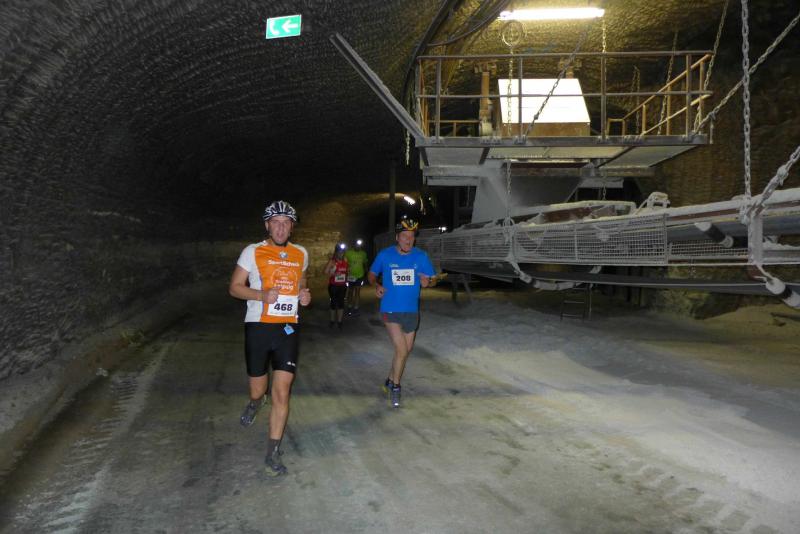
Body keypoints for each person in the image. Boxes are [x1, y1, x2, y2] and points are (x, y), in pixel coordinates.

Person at [228, 200, 311, 476]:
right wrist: (261, 295)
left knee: (282, 390)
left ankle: (273, 450)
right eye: (276, 222)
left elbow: (301, 280)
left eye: (286, 223)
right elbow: (234, 288)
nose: (281, 228)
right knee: (258, 389)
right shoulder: (252, 251)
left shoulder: (301, 253)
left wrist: (304, 293)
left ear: (292, 227)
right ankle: (255, 402)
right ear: (267, 225)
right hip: (259, 327)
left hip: (288, 328)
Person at [367, 218, 436, 408]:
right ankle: (396, 387)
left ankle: (389, 380)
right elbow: (371, 275)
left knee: (404, 352)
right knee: (402, 350)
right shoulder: (385, 255)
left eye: (412, 236)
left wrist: (428, 282)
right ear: (397, 237)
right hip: (390, 309)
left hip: (411, 311)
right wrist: (377, 285)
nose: (408, 240)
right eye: (405, 236)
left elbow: (433, 278)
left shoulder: (421, 256)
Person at [324, 243, 348, 329]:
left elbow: (347, 272)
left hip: (343, 286)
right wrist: (334, 274)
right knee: (333, 303)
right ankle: (332, 321)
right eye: (339, 252)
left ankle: (340, 321)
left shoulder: (345, 261)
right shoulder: (332, 262)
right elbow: (325, 272)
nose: (341, 254)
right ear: (336, 253)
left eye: (342, 252)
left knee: (341, 303)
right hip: (333, 286)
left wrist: (348, 275)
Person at [344, 238, 368, 316]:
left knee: (357, 292)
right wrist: (345, 273)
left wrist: (366, 273)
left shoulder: (363, 253)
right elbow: (344, 263)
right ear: (354, 245)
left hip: (360, 275)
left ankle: (356, 308)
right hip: (351, 275)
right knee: (350, 291)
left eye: (359, 245)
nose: (358, 246)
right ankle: (349, 306)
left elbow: (365, 263)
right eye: (356, 245)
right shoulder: (348, 253)